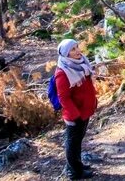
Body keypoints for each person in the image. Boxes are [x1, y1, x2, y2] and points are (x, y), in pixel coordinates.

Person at [55, 39, 98, 180]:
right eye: (72, 50)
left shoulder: (82, 64)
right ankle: (73, 172)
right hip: (75, 115)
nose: (77, 51)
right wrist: (75, 115)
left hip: (84, 111)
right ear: (66, 54)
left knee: (78, 140)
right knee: (72, 143)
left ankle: (76, 164)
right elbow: (64, 98)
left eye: (77, 47)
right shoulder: (62, 73)